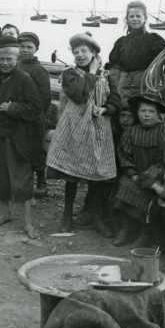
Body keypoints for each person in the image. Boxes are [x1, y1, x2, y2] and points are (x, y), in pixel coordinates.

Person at [45, 32, 119, 233]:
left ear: (94, 53)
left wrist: (105, 109)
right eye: (76, 52)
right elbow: (79, 95)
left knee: (96, 175)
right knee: (72, 174)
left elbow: (115, 100)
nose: (80, 55)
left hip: (97, 129)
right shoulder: (70, 74)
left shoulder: (107, 76)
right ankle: (67, 216)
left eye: (84, 51)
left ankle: (97, 218)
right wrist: (91, 74)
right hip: (74, 128)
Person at [0, 37, 43, 239]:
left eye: (9, 58)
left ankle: (28, 222)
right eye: (1, 59)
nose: (5, 63)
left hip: (17, 138)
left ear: (17, 58)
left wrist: (13, 108)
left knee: (21, 179)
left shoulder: (24, 79)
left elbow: (36, 107)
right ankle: (5, 212)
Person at [112, 93, 165, 247]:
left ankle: (144, 232)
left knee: (149, 193)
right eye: (143, 111)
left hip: (156, 176)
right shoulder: (130, 132)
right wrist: (133, 174)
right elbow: (124, 155)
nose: (147, 115)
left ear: (158, 115)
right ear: (137, 113)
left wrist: (148, 176)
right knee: (125, 184)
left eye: (151, 112)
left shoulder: (163, 132)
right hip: (135, 174)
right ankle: (126, 228)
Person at [108, 1, 165, 100]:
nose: (135, 19)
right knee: (124, 108)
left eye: (138, 16)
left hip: (145, 84)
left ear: (145, 18)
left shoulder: (154, 40)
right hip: (125, 84)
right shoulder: (121, 42)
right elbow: (114, 65)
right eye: (131, 16)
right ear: (127, 19)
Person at [18, 31, 52, 195]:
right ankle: (23, 181)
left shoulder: (39, 70)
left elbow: (46, 97)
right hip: (17, 116)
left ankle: (41, 183)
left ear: (36, 49)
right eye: (22, 46)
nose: (25, 50)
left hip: (34, 118)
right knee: (19, 149)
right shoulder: (15, 65)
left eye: (29, 47)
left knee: (36, 150)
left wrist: (36, 115)